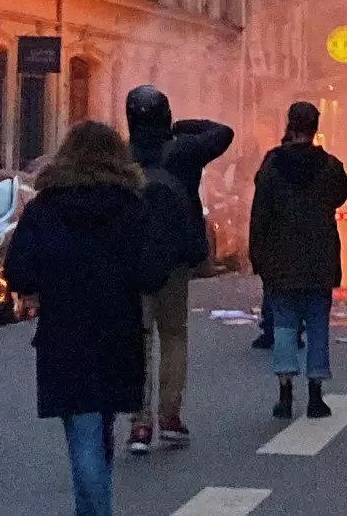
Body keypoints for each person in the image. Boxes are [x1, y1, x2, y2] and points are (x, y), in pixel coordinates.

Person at [4, 121, 175, 516]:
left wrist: (50, 279)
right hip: (118, 331)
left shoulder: (45, 208)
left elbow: (19, 272)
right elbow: (152, 273)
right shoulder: (132, 207)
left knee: (83, 435)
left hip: (64, 333)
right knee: (99, 432)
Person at [125, 85, 234, 453]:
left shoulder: (123, 157)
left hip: (132, 261)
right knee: (173, 335)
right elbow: (223, 133)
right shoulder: (183, 151)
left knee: (137, 339)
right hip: (174, 258)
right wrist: (184, 127)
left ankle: (139, 424)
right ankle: (170, 417)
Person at [250, 102, 347, 419]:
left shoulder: (272, 164)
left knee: (284, 326)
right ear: (316, 127)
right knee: (318, 325)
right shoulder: (330, 165)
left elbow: (260, 213)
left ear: (290, 125)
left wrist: (258, 256)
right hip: (320, 258)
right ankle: (316, 397)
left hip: (280, 259)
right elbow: (343, 193)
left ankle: (285, 395)